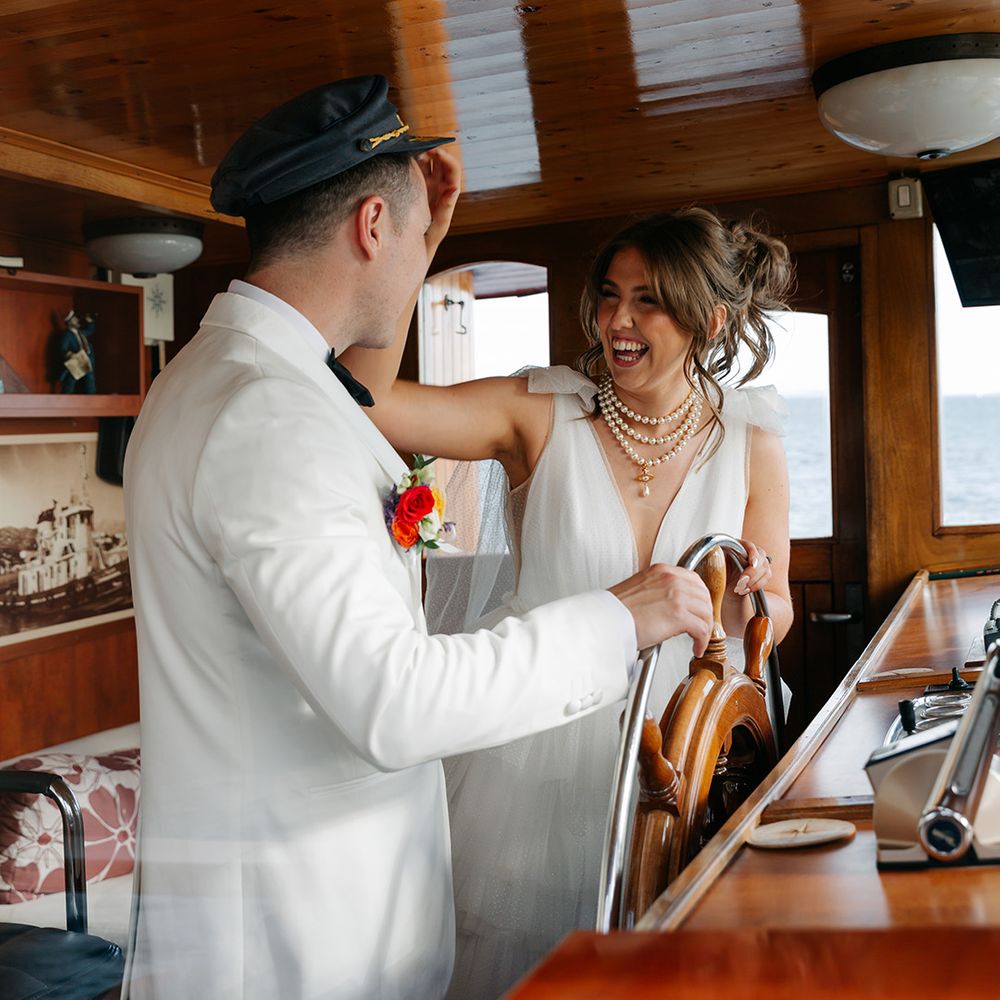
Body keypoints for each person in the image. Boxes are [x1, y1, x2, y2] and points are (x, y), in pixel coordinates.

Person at [121, 75, 715, 1000]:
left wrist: (421, 237)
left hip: (307, 921)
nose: (426, 259)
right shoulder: (269, 416)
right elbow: (394, 702)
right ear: (370, 226)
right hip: (294, 946)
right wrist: (613, 619)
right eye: (418, 238)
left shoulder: (224, 379)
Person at [341, 207, 795, 997]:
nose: (617, 319)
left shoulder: (751, 440)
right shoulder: (537, 414)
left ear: (709, 318)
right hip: (536, 759)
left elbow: (777, 609)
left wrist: (754, 593)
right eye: (610, 294)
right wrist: (417, 245)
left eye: (648, 299)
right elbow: (366, 395)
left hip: (691, 751)